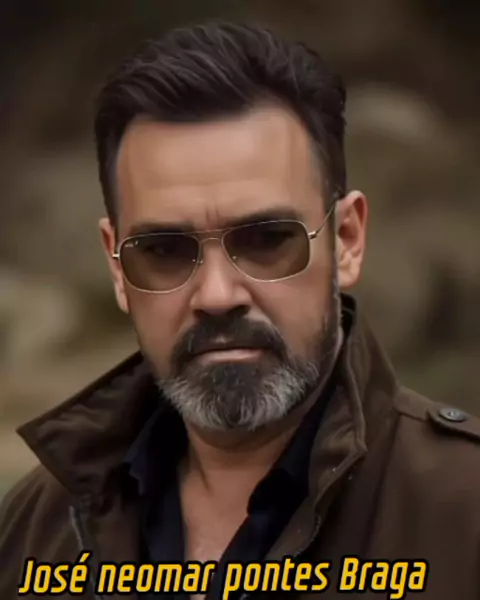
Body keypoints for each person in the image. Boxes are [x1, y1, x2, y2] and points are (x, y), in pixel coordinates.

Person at [1, 21, 479, 600]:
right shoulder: (38, 530)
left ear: (347, 240)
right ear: (116, 266)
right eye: (165, 251)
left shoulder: (463, 514)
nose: (217, 294)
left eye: (267, 239)